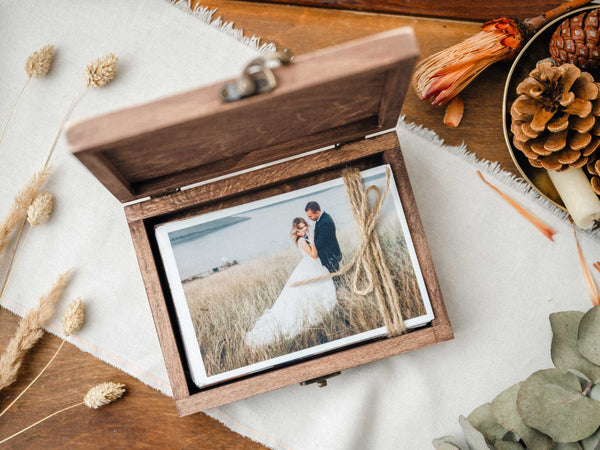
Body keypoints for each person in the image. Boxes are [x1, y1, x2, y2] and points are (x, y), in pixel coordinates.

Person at [245, 217, 337, 348]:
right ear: (297, 231)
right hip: (310, 266)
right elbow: (314, 255)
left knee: (315, 289)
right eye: (301, 227)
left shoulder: (305, 237)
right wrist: (312, 241)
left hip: (313, 266)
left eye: (304, 225)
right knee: (308, 291)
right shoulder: (302, 241)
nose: (304, 228)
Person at [304, 201, 342, 275]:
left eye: (310, 216)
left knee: (335, 278)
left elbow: (320, 243)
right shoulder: (322, 219)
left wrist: (308, 241)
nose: (309, 218)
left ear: (317, 212)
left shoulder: (325, 222)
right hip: (329, 255)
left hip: (330, 256)